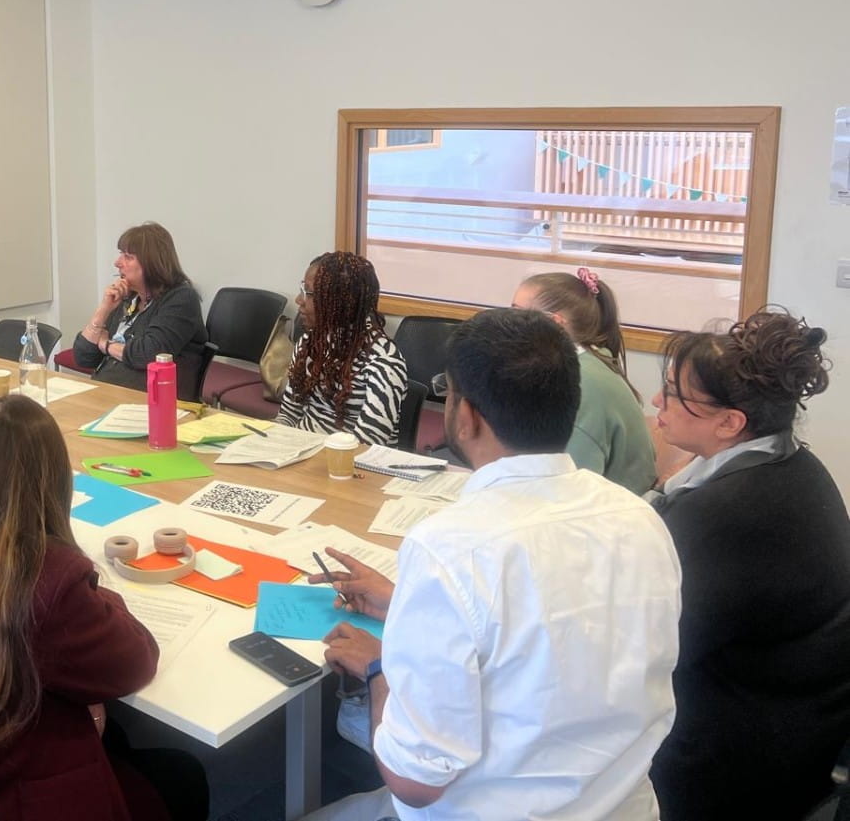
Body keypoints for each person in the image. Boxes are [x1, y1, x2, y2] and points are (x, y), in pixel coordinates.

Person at [302, 308, 681, 821]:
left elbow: (414, 782)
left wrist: (379, 668)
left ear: (466, 415)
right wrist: (407, 604)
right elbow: (556, 629)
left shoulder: (450, 547)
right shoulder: (641, 518)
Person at [0, 395, 208, 821]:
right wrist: (99, 592)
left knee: (115, 736)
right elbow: (136, 663)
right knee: (181, 777)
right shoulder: (51, 574)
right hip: (0, 793)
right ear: (55, 482)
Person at [647, 309, 850, 821]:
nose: (656, 402)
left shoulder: (726, 512)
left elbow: (651, 650)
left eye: (673, 393)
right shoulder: (797, 464)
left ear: (729, 423)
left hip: (729, 760)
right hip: (797, 733)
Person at [511, 268, 655, 494]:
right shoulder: (584, 362)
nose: (508, 324)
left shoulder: (581, 386)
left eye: (517, 315)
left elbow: (571, 489)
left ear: (555, 324)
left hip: (611, 513)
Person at [276, 252, 408, 444]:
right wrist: (271, 440)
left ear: (340, 302)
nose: (299, 300)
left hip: (349, 464)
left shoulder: (383, 361)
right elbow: (288, 415)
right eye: (302, 289)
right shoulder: (310, 343)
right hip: (299, 451)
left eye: (308, 293)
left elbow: (366, 444)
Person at [72, 222, 208, 395]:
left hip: (153, 400)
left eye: (128, 257)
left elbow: (149, 355)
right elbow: (84, 357)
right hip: (110, 391)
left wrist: (105, 345)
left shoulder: (181, 299)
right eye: (121, 254)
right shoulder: (128, 297)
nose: (117, 263)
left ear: (152, 263)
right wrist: (104, 309)